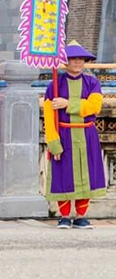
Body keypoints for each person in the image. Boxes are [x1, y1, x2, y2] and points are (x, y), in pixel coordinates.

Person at [43, 41, 107, 229]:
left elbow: (94, 106)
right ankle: (64, 216)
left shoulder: (92, 83)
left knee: (87, 174)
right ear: (65, 61)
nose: (78, 62)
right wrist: (53, 142)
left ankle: (81, 216)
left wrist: (67, 104)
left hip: (87, 134)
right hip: (64, 133)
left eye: (81, 59)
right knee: (63, 174)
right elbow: (48, 116)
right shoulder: (54, 85)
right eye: (73, 58)